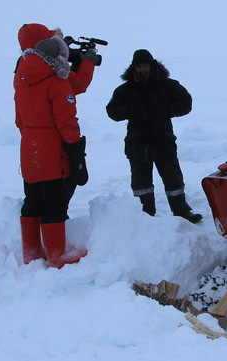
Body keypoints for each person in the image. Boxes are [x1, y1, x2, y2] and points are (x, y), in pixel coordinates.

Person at [14, 23, 100, 267]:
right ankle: (57, 255)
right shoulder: (56, 78)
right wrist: (75, 149)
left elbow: (19, 119)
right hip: (53, 150)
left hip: (29, 148)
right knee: (55, 201)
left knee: (32, 200)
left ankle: (31, 252)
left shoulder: (21, 75)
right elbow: (66, 122)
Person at [106, 49, 202, 223]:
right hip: (137, 143)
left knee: (173, 179)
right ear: (133, 68)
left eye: (145, 66)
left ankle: (182, 212)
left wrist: (166, 110)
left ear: (152, 66)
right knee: (141, 183)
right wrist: (130, 111)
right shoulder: (125, 90)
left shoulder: (168, 86)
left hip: (163, 141)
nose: (142, 69)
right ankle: (145, 217)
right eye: (139, 67)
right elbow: (112, 110)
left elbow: (186, 102)